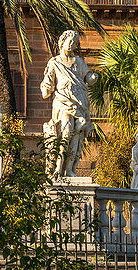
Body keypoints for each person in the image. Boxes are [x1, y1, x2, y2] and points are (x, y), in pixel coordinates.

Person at [40, 30, 98, 179]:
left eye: (75, 42)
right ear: (62, 42)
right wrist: (45, 87)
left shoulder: (79, 62)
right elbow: (48, 83)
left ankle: (70, 169)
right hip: (63, 103)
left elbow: (88, 77)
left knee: (77, 138)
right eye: (70, 41)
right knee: (66, 133)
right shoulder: (55, 62)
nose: (72, 44)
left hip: (80, 103)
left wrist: (93, 77)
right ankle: (58, 168)